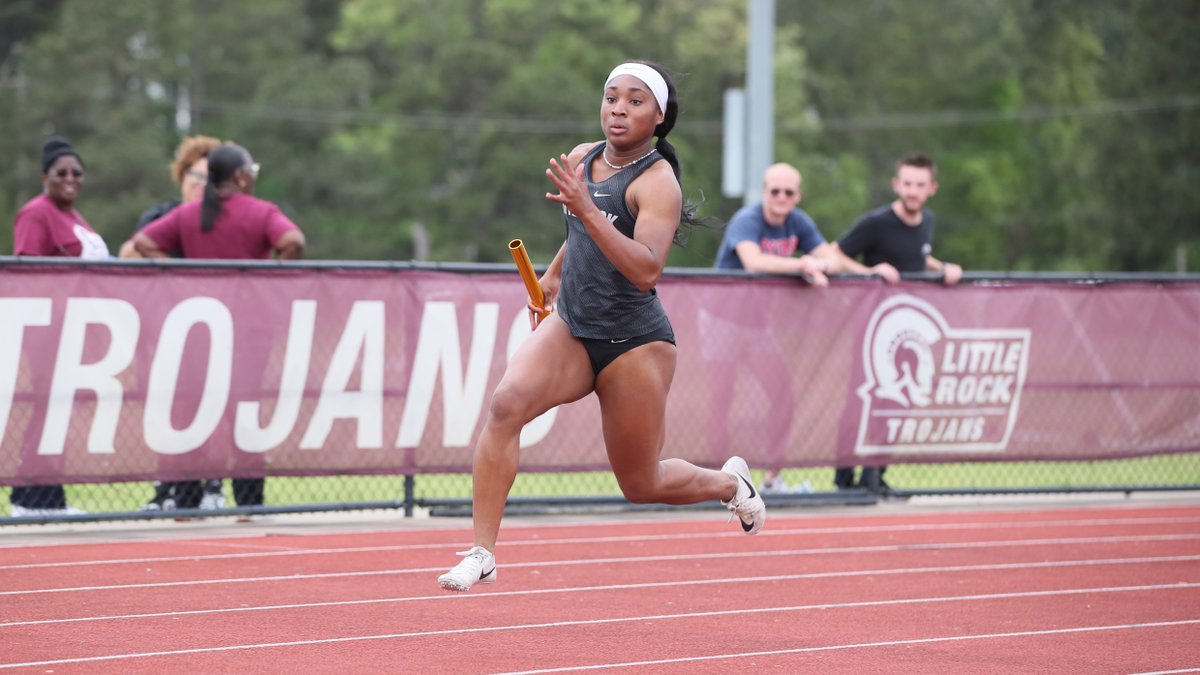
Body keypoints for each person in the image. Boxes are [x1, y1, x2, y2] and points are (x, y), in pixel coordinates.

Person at [437, 61, 766, 593]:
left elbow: (645, 270)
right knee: (506, 405)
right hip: (573, 326)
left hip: (635, 343)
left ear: (659, 117)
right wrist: (551, 277)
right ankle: (483, 552)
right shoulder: (581, 159)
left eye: (635, 101)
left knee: (642, 482)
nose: (619, 108)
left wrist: (588, 209)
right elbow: (583, 234)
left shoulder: (658, 184)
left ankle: (731, 482)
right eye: (612, 97)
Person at [134, 144, 305, 514]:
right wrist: (276, 272)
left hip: (200, 329)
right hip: (248, 330)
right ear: (241, 176)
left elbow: (143, 242)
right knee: (244, 415)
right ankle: (248, 505)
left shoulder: (188, 214)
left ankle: (188, 502)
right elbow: (292, 241)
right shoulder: (261, 212)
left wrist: (180, 271)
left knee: (193, 411)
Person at [711, 163, 898, 491]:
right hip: (720, 321)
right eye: (775, 191)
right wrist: (802, 264)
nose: (781, 198)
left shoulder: (798, 222)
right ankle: (714, 481)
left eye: (789, 192)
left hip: (759, 326)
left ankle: (772, 478)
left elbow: (834, 259)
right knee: (721, 398)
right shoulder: (748, 219)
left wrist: (819, 264)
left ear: (797, 195)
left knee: (782, 392)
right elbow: (753, 261)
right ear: (764, 192)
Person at [833, 153, 963, 491]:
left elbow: (919, 254)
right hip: (873, 327)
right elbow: (833, 253)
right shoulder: (876, 222)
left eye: (920, 185)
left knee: (900, 402)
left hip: (909, 330)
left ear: (931, 188)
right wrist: (871, 272)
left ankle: (876, 476)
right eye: (907, 183)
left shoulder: (927, 222)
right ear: (896, 184)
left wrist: (942, 268)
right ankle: (845, 480)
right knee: (862, 400)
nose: (913, 190)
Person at [119, 134, 228, 511]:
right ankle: (168, 489)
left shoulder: (223, 220)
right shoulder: (163, 215)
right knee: (169, 409)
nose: (200, 185)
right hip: (165, 328)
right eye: (194, 177)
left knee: (211, 405)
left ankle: (212, 485)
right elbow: (129, 253)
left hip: (213, 330)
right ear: (182, 177)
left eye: (209, 178)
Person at [8, 137, 109, 517]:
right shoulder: (37, 212)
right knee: (47, 407)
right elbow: (28, 272)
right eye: (61, 172)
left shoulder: (76, 217)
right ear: (44, 177)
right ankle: (28, 498)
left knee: (61, 411)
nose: (70, 179)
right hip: (49, 328)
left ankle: (51, 498)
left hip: (78, 329)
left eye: (77, 173)